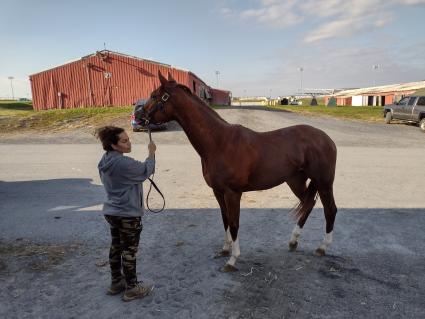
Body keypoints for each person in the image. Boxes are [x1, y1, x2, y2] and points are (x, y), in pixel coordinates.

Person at [96, 125, 156, 302]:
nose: (129, 143)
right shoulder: (123, 163)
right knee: (129, 251)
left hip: (112, 211)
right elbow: (146, 169)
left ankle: (116, 283)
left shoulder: (105, 159)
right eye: (124, 141)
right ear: (113, 145)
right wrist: (152, 152)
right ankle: (132, 288)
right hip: (127, 214)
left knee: (116, 247)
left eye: (128, 138)